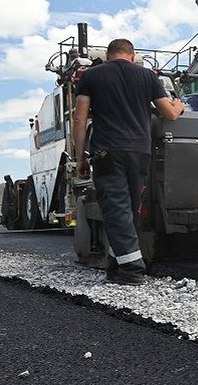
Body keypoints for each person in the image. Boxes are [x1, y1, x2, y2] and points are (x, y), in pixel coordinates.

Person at [72, 38, 185, 284]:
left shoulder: (91, 77)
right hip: (140, 153)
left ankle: (132, 269)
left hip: (107, 152)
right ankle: (116, 267)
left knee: (116, 209)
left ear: (109, 55)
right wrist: (180, 105)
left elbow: (79, 120)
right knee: (128, 211)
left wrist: (80, 157)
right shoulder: (148, 77)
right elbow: (170, 114)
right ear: (132, 56)